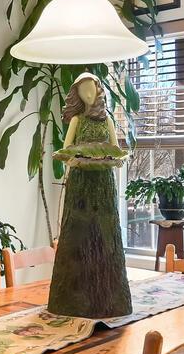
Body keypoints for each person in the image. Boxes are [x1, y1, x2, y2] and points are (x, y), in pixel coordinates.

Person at [47, 72, 132, 318]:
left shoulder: (107, 121)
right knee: (77, 234)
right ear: (76, 94)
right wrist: (73, 161)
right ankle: (71, 298)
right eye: (82, 91)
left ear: (98, 92)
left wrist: (113, 161)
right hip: (81, 183)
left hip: (103, 184)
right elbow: (66, 150)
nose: (87, 95)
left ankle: (110, 297)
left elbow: (116, 151)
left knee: (106, 235)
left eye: (91, 90)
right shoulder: (75, 120)